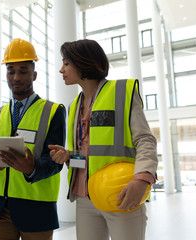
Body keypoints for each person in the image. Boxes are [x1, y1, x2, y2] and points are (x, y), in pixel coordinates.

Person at [49, 39, 158, 240]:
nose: (61, 70)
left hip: (121, 193)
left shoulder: (121, 92)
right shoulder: (74, 107)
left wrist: (142, 179)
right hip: (85, 198)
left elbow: (145, 140)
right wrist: (68, 156)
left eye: (66, 63)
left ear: (83, 63)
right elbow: (87, 156)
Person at [0, 38, 66, 240]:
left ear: (34, 74)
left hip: (37, 208)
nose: (16, 77)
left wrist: (32, 167)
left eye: (23, 70)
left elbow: (55, 161)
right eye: (11, 71)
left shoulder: (53, 111)